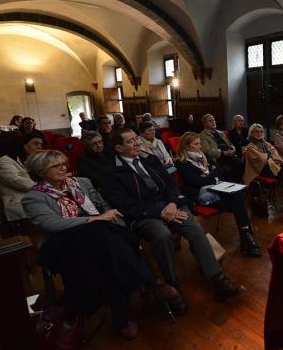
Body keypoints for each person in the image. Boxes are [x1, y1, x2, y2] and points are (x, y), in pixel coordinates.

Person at [22, 150, 179, 340]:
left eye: (64, 163)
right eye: (56, 165)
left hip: (100, 236)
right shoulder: (33, 197)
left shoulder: (82, 182)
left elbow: (103, 205)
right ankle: (152, 282)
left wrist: (109, 220)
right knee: (106, 236)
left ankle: (123, 317)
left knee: (106, 249)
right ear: (40, 171)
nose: (64, 167)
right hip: (62, 244)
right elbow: (53, 224)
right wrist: (95, 219)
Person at [100, 128, 246, 309]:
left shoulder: (150, 159)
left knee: (194, 229)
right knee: (161, 236)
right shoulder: (110, 172)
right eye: (130, 142)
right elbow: (124, 205)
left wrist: (172, 203)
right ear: (119, 148)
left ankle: (218, 281)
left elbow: (171, 185)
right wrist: (159, 211)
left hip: (170, 206)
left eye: (137, 139)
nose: (137, 143)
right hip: (143, 214)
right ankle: (172, 286)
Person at [174, 132, 261, 257]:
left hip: (216, 188)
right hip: (201, 195)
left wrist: (209, 176)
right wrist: (212, 175)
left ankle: (246, 238)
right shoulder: (181, 162)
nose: (200, 146)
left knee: (238, 197)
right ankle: (247, 238)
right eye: (196, 144)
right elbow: (196, 182)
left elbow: (221, 169)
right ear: (186, 147)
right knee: (238, 200)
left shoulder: (203, 156)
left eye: (199, 143)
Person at [0, 132, 44, 221]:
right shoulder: (4, 161)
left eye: (41, 144)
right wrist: (36, 178)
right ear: (23, 145)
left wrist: (29, 175)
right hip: (19, 202)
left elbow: (49, 179)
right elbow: (24, 184)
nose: (39, 147)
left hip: (38, 198)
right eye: (35, 143)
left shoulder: (35, 160)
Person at [199, 114, 244, 181]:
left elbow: (230, 143)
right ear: (204, 123)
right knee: (227, 170)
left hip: (229, 154)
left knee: (241, 164)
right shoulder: (202, 135)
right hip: (218, 158)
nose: (213, 122)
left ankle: (237, 183)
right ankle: (231, 186)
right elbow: (207, 150)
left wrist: (232, 150)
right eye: (210, 121)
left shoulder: (221, 133)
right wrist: (223, 153)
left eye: (213, 120)